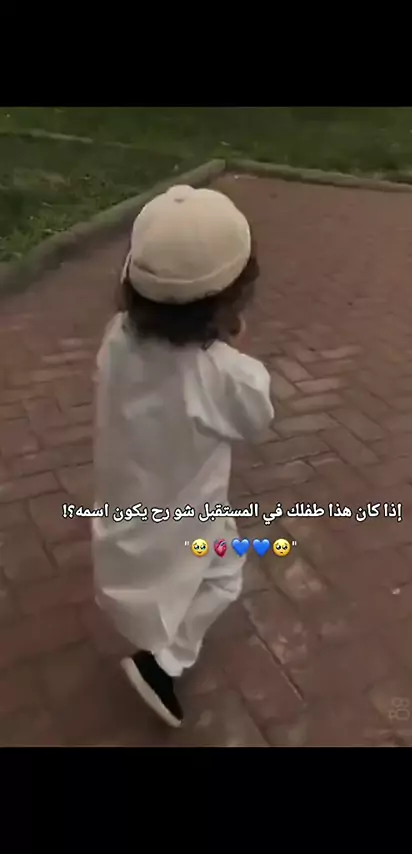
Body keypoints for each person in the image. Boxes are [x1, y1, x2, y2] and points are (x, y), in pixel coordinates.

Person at [92, 184, 274, 728]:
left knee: (185, 569)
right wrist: (231, 351)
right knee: (224, 574)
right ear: (233, 298)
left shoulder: (117, 339)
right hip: (189, 511)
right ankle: (163, 662)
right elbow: (255, 422)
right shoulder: (228, 375)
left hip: (128, 502)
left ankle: (160, 653)